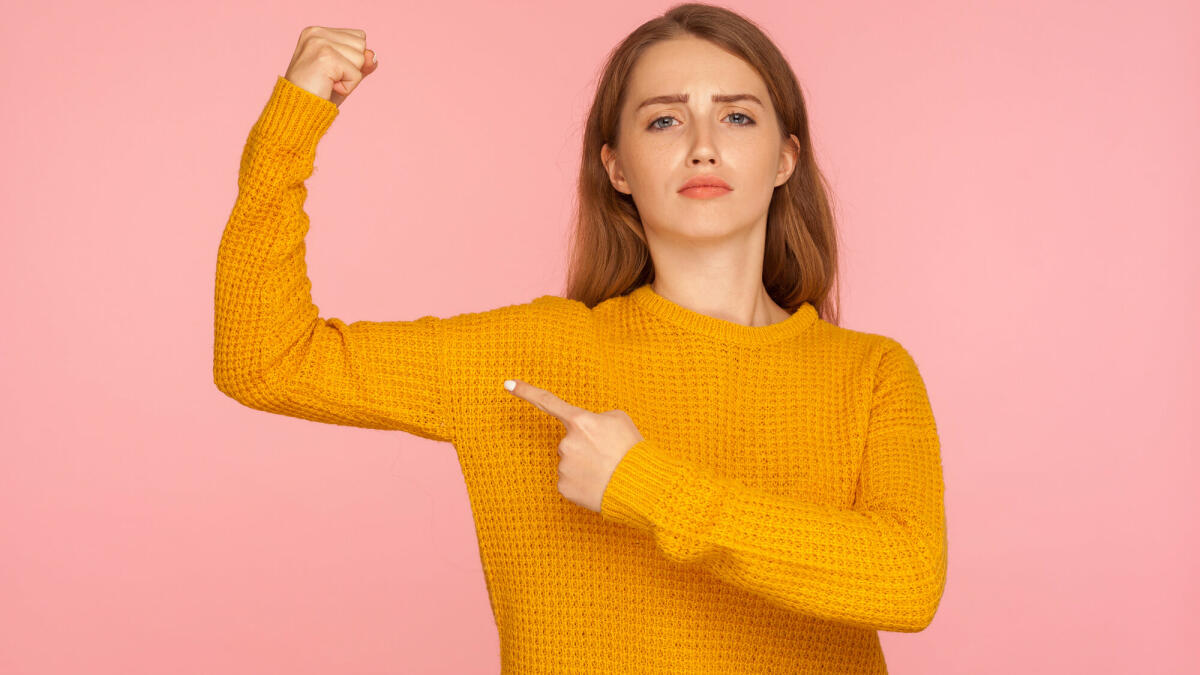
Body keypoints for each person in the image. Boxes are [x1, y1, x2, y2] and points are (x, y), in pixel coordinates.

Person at [214, 4, 947, 672]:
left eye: (737, 118)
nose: (701, 146)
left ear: (786, 158)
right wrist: (293, 123)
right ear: (615, 167)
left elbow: (908, 581)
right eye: (663, 120)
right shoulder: (531, 353)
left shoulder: (871, 372)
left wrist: (643, 484)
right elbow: (266, 358)